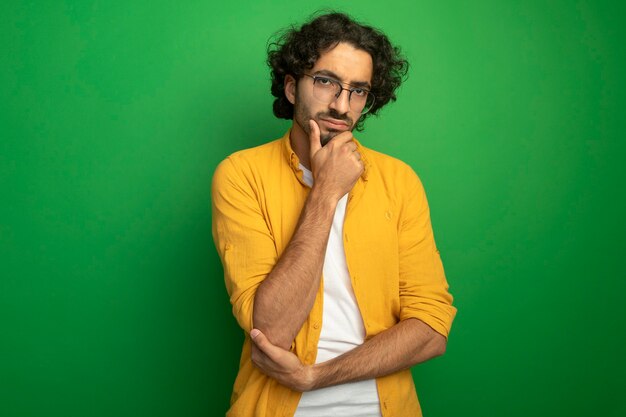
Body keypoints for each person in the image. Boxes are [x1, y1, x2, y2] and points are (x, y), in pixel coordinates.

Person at [211, 11, 456, 417]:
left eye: (358, 91)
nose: (342, 106)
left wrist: (316, 377)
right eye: (326, 82)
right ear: (292, 87)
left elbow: (431, 329)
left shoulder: (400, 181)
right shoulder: (241, 175)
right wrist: (325, 191)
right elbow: (270, 330)